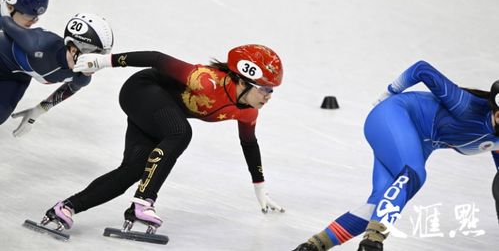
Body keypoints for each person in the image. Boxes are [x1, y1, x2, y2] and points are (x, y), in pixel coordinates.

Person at [40, 44, 285, 235]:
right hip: (142, 90)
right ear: (243, 80)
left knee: (132, 170)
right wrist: (104, 61)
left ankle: (66, 207)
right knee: (181, 133)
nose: (268, 96)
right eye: (264, 89)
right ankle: (143, 202)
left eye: (272, 90)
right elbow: (156, 58)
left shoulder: (248, 111)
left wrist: (259, 187)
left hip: (159, 116)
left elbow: (249, 144)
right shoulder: (205, 80)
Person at [293, 60, 499, 251]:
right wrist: (388, 92)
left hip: (417, 141)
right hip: (393, 115)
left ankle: (314, 246)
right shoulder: (465, 106)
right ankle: (373, 240)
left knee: (379, 205)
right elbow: (422, 69)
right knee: (414, 174)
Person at [0, 8, 114, 136]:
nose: (96, 62)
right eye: (93, 53)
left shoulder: (81, 76)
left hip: (17, 77)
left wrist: (37, 111)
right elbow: (4, 21)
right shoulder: (39, 45)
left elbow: (70, 89)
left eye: (101, 55)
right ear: (74, 46)